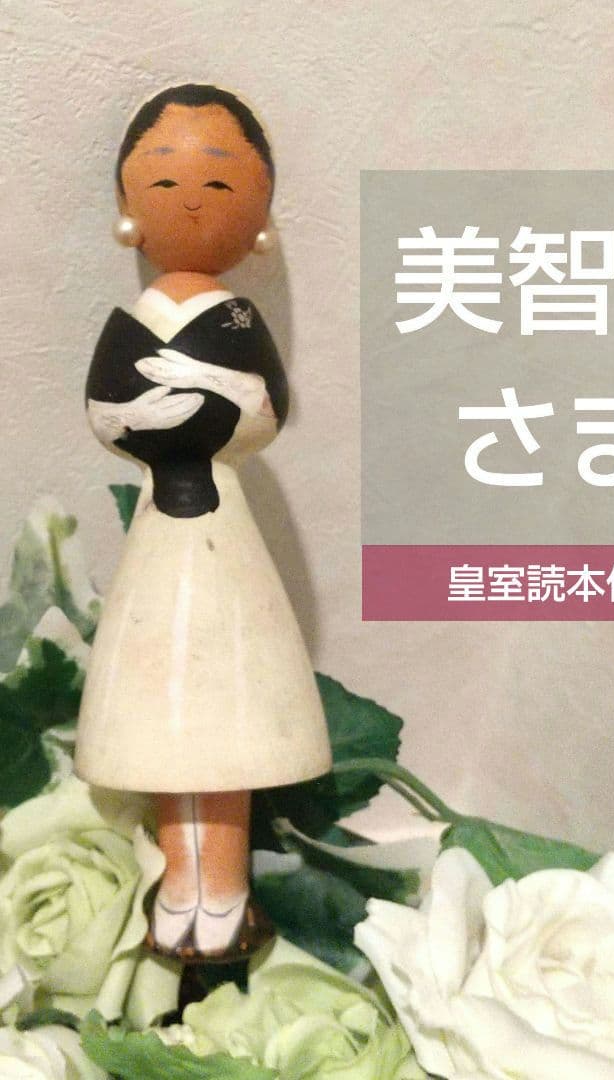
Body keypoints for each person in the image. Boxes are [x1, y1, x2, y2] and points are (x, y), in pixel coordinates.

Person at [74, 84, 332, 957]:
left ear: (259, 218)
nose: (191, 202)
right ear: (127, 207)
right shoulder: (134, 319)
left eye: (220, 186)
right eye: (166, 182)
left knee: (227, 710)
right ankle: (178, 880)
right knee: (161, 710)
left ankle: (222, 884)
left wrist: (199, 387)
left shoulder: (235, 318)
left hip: (228, 551)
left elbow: (266, 408)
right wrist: (152, 411)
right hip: (160, 542)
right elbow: (105, 412)